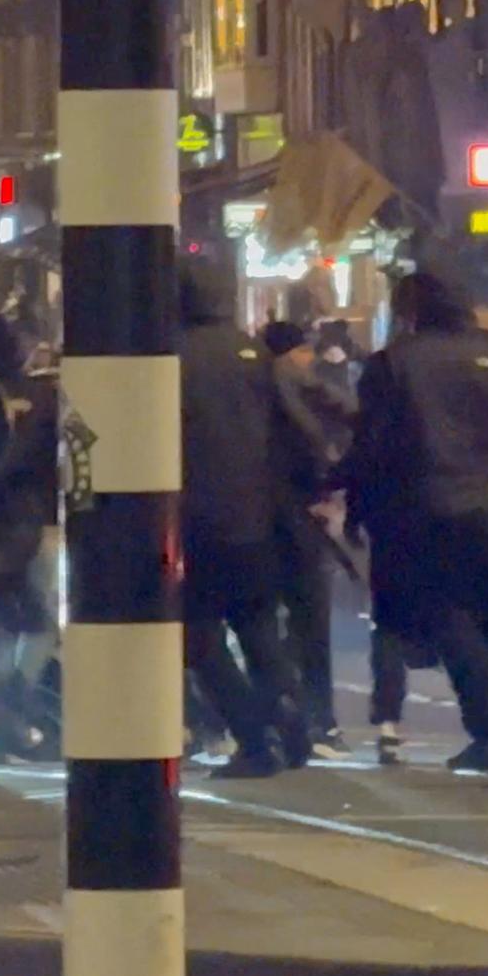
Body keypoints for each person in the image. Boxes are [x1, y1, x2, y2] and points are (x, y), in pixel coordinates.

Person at [341, 272, 488, 772]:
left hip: (423, 508)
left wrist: (359, 509)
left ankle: (484, 730)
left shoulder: (393, 364)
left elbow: (372, 446)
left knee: (450, 617)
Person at [180, 259, 310, 778]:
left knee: (201, 636)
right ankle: (293, 726)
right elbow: (294, 429)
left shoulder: (171, 354)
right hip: (256, 514)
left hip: (195, 516)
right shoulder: (253, 352)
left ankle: (254, 736)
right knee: (259, 629)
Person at [0, 309, 59, 761]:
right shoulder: (40, 394)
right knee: (38, 622)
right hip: (31, 519)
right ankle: (16, 703)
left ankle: (5, 714)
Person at [263, 320, 357, 757]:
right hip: (297, 515)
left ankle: (282, 715)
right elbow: (339, 414)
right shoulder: (290, 379)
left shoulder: (253, 384)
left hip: (260, 516)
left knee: (265, 622)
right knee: (309, 622)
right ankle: (318, 721)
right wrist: (331, 477)